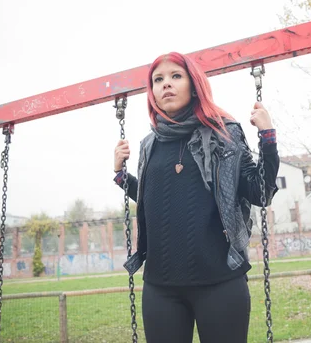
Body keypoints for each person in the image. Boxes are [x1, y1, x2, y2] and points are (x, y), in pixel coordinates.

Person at [113, 52, 280, 343]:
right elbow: (153, 198)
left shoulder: (224, 134)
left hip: (219, 281)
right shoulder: (149, 144)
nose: (166, 84)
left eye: (176, 76)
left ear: (194, 84)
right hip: (161, 287)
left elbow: (259, 192)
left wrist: (267, 137)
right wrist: (120, 175)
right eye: (158, 79)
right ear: (151, 92)